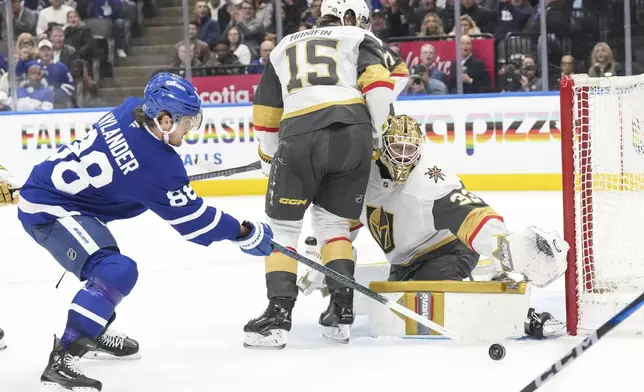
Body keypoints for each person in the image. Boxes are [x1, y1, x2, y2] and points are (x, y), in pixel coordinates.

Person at [0, 72, 273, 391]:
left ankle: (94, 326)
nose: (190, 130)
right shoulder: (157, 165)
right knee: (117, 270)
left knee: (106, 266)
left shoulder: (129, 109)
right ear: (165, 119)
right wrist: (244, 232)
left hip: (58, 195)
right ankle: (64, 357)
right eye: (187, 121)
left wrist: (161, 189)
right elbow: (195, 223)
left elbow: (127, 175)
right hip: (50, 210)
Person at [298, 114, 567, 339]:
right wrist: (328, 257)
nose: (403, 158)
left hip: (448, 251)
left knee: (430, 305)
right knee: (398, 307)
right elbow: (348, 219)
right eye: (397, 148)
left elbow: (472, 214)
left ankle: (521, 315)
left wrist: (505, 246)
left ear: (420, 148)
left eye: (409, 149)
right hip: (404, 262)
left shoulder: (430, 182)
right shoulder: (364, 175)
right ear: (383, 147)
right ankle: (485, 272)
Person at [245, 0, 397, 349]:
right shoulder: (357, 36)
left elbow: (266, 112)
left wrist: (270, 157)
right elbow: (379, 87)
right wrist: (375, 134)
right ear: (350, 17)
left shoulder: (283, 46)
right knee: (333, 227)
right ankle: (341, 311)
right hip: (354, 134)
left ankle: (278, 315)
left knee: (282, 228)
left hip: (300, 134)